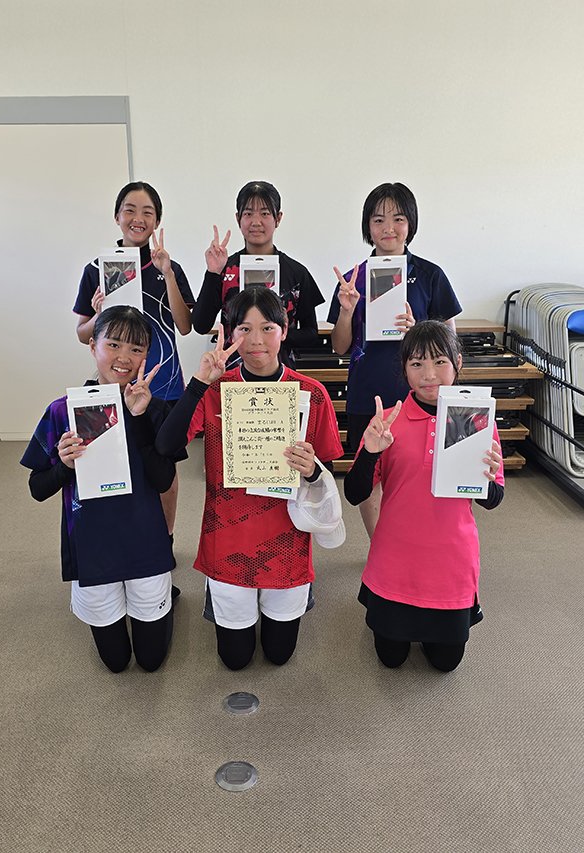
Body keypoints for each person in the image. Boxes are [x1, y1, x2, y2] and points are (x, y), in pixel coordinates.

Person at [158, 288, 343, 670]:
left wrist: (310, 468)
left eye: (267, 327)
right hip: (228, 541)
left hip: (287, 542)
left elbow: (324, 473)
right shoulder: (215, 390)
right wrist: (199, 382)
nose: (256, 340)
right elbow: (166, 446)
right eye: (244, 328)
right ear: (230, 333)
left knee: (279, 655)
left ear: (285, 330)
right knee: (235, 659)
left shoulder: (312, 394)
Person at [21, 306, 186, 673]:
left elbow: (164, 481)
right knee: (116, 662)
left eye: (136, 349)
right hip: (92, 548)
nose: (124, 358)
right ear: (92, 345)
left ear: (147, 356)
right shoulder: (63, 411)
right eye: (113, 344)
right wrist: (65, 465)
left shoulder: (157, 410)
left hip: (145, 542)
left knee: (151, 661)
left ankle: (164, 598)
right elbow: (37, 488)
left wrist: (139, 419)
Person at [344, 321, 504, 672]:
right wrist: (370, 452)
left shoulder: (477, 421)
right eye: (416, 364)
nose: (429, 375)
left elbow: (493, 500)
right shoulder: (388, 422)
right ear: (404, 369)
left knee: (446, 663)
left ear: (457, 363)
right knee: (391, 659)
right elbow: (355, 493)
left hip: (451, 565)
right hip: (395, 561)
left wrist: (488, 478)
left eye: (439, 362)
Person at [329, 182, 462, 536]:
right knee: (369, 473)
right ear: (367, 226)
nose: (388, 228)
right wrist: (347, 310)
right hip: (367, 390)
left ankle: (416, 543)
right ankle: (380, 546)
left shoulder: (430, 275)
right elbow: (340, 347)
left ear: (410, 224)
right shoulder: (354, 278)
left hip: (421, 393)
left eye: (398, 218)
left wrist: (420, 331)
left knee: (418, 468)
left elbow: (450, 342)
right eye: (378, 220)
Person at [73, 180, 195, 543]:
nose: (138, 218)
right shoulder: (97, 268)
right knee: (113, 463)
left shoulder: (168, 267)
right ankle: (123, 540)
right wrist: (99, 314)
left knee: (164, 466)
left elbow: (185, 326)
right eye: (130, 210)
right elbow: (82, 333)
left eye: (147, 212)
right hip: (113, 385)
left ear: (157, 221)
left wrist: (168, 273)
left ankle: (165, 537)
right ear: (117, 216)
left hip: (163, 383)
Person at [192, 180, 324, 367]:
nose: (256, 222)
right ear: (238, 218)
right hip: (231, 373)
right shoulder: (225, 269)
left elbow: (311, 334)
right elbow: (200, 325)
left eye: (264, 213)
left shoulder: (296, 272)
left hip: (281, 373)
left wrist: (275, 331)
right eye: (248, 214)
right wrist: (213, 272)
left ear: (278, 218)